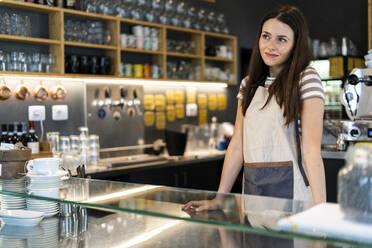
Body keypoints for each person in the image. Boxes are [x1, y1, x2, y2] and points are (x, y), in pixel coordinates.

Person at [183, 5, 326, 212]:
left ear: (296, 45)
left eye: (282, 39)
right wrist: (219, 198)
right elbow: (237, 146)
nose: (270, 45)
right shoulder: (248, 84)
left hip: (294, 195)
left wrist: (321, 210)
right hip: (253, 192)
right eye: (266, 36)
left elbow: (311, 151)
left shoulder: (306, 79)